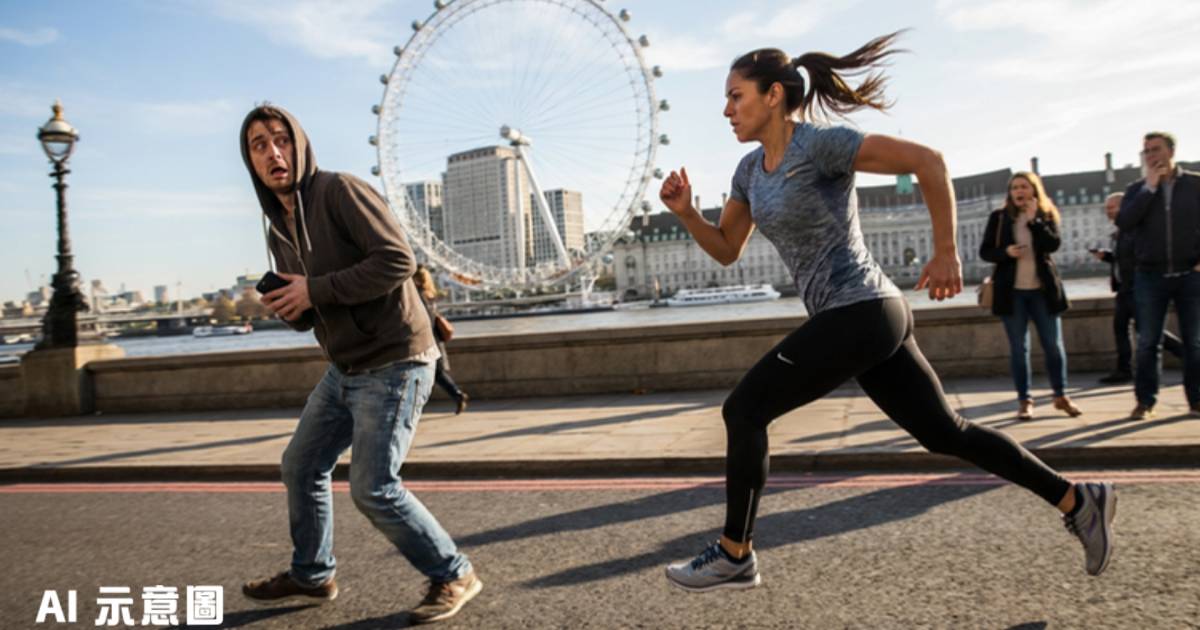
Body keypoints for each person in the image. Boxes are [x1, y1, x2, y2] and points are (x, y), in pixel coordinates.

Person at [658, 33, 1115, 593]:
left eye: (735, 96)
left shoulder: (821, 146)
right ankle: (1078, 499)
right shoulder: (748, 173)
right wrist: (686, 213)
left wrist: (946, 250)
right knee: (947, 433)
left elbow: (928, 161)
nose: (727, 110)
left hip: (864, 309)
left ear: (773, 95)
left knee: (744, 411)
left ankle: (735, 552)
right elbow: (727, 248)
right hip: (861, 319)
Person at [237, 104, 481, 624]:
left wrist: (314, 290)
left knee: (373, 487)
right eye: (259, 145)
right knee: (301, 465)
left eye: (281, 139)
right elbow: (313, 311)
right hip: (345, 367)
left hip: (396, 357)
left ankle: (453, 572)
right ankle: (313, 573)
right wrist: (290, 306)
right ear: (250, 160)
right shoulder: (276, 226)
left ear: (298, 144)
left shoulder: (339, 191)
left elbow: (397, 259)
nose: (273, 152)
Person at [979, 172, 1082, 420]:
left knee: (1054, 347)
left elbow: (1052, 245)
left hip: (1042, 292)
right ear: (1010, 192)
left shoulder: (1045, 215)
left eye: (1024, 187)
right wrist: (1007, 252)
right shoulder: (1000, 217)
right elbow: (986, 252)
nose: (1019, 191)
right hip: (1012, 293)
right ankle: (1024, 400)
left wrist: (1035, 221)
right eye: (1015, 187)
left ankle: (1061, 395)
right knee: (1019, 349)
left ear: (1034, 190)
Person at [1116, 131, 1200, 420]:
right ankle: (1145, 401)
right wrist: (1149, 190)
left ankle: (1197, 400)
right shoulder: (1136, 189)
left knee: (1195, 342)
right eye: (1147, 151)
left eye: (1156, 150)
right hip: (1150, 275)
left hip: (1191, 273)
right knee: (1148, 343)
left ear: (1171, 151)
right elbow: (1125, 222)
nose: (1151, 156)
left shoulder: (1195, 184)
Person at [1092, 192, 1183, 384]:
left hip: (1136, 288)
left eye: (1111, 207)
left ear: (1124, 207)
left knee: (1147, 330)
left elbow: (1139, 258)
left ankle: (1188, 356)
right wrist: (1107, 256)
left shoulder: (1133, 230)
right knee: (1122, 328)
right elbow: (1123, 259)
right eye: (1107, 208)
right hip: (1125, 288)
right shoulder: (1120, 232)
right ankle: (1124, 369)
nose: (1107, 212)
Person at [413, 265, 470, 415]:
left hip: (427, 341)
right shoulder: (429, 294)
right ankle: (456, 394)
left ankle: (456, 394)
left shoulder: (417, 295)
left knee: (433, 374)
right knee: (436, 373)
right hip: (435, 340)